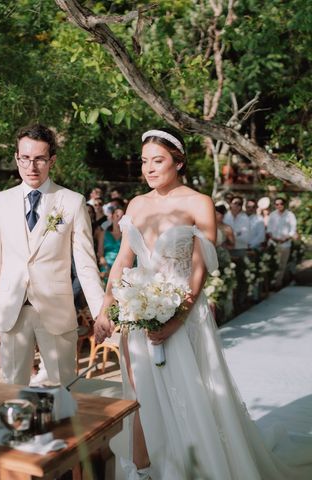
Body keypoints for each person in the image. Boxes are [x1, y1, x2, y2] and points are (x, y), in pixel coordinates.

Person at [94, 128, 311, 480]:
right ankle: (142, 470)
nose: (149, 168)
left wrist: (176, 318)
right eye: (145, 161)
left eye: (158, 160)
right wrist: (107, 306)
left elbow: (200, 269)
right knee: (138, 395)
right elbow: (123, 262)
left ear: (178, 162)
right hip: (137, 313)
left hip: (183, 313)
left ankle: (192, 467)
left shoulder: (199, 203)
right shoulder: (135, 204)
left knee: (189, 394)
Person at [0, 124, 104, 386]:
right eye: (25, 158)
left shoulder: (72, 201)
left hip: (56, 311)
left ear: (52, 160)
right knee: (13, 391)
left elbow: (86, 264)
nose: (31, 166)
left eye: (39, 159)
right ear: (16, 158)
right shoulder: (1, 201)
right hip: (11, 311)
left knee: (62, 391)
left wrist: (101, 311)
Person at [267, 197, 298, 289]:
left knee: (282, 265)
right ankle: (271, 283)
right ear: (275, 205)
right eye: (277, 204)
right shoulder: (272, 215)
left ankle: (277, 284)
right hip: (273, 243)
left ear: (284, 204)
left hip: (285, 244)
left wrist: (286, 237)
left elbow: (293, 229)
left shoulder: (290, 215)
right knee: (272, 263)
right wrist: (273, 238)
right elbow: (269, 229)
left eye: (281, 204)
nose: (279, 206)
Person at [96, 204, 124, 277]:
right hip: (106, 266)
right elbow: (100, 254)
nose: (119, 219)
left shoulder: (126, 235)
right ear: (112, 217)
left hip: (122, 267)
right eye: (117, 216)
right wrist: (107, 268)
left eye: (122, 217)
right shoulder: (103, 233)